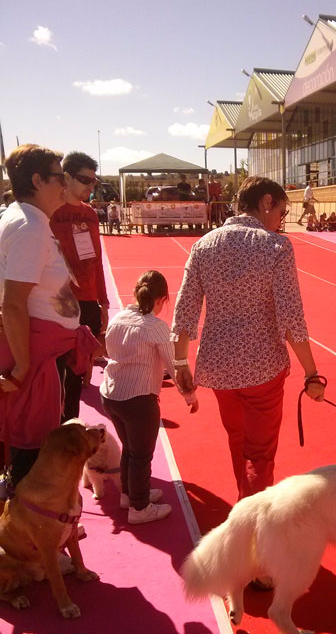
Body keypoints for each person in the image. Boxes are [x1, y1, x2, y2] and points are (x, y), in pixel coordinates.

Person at [171, 176, 325, 501]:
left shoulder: (203, 246)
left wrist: (180, 360)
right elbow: (291, 319)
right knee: (260, 455)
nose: (280, 223)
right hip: (262, 369)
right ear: (266, 202)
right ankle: (252, 530)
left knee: (238, 444)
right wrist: (312, 372)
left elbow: (185, 309)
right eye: (281, 213)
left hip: (218, 369)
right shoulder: (276, 247)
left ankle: (244, 513)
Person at [0, 145, 99, 485]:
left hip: (43, 352)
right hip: (35, 357)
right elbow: (12, 302)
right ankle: (28, 530)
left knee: (33, 446)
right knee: (33, 455)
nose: (65, 182)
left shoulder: (27, 220)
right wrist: (23, 367)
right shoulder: (30, 227)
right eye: (59, 176)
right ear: (38, 180)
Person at [100, 270, 197, 524]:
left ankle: (129, 493)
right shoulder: (155, 327)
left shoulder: (117, 318)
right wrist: (190, 397)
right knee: (141, 454)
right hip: (138, 399)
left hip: (111, 395)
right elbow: (174, 366)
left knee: (129, 448)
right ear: (162, 299)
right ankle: (139, 507)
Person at [50, 151, 110, 421]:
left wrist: (104, 301)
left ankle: (70, 427)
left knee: (76, 373)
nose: (90, 186)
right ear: (66, 177)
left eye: (93, 181)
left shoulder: (90, 214)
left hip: (87, 302)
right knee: (55, 373)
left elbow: (96, 258)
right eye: (84, 179)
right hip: (59, 303)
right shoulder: (51, 212)